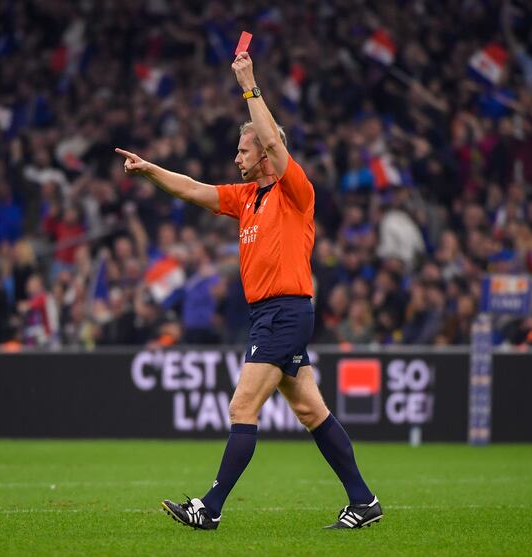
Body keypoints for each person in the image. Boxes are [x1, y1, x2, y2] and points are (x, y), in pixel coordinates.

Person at [115, 50, 381, 530]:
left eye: (244, 150)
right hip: (272, 315)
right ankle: (363, 501)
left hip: (285, 311)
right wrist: (150, 169)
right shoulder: (246, 199)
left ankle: (209, 508)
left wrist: (250, 85)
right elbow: (193, 189)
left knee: (242, 406)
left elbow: (277, 143)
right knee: (308, 408)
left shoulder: (294, 191)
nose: (237, 157)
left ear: (265, 152)